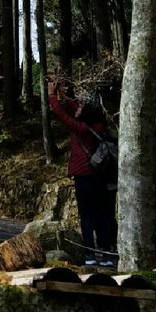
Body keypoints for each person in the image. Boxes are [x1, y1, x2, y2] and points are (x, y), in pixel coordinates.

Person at [48, 85, 117, 266]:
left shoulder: (82, 129)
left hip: (84, 177)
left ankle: (90, 254)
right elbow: (74, 108)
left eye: (81, 108)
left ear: (85, 113)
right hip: (100, 176)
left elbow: (62, 115)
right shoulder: (98, 125)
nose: (77, 108)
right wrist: (62, 94)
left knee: (86, 216)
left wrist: (51, 96)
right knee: (102, 214)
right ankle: (107, 253)